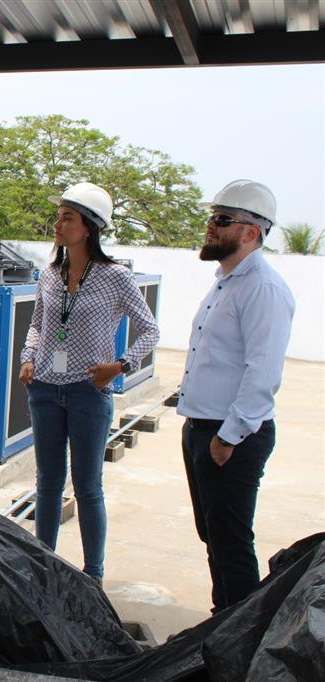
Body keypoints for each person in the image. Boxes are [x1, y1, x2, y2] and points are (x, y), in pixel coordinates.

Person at [19, 182, 159, 584]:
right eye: (59, 215)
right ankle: (43, 566)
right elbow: (38, 326)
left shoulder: (116, 278)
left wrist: (120, 365)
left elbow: (150, 330)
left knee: (87, 487)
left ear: (89, 228)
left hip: (87, 393)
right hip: (44, 390)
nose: (57, 224)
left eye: (67, 217)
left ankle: (93, 576)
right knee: (47, 484)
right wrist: (29, 359)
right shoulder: (49, 274)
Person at [177, 179, 294, 612]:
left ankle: (239, 641)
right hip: (203, 429)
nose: (211, 226)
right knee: (214, 537)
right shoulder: (227, 281)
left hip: (231, 438)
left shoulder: (262, 288)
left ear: (252, 232)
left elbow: (262, 373)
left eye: (222, 220)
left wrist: (228, 439)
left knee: (231, 544)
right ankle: (221, 626)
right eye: (211, 217)